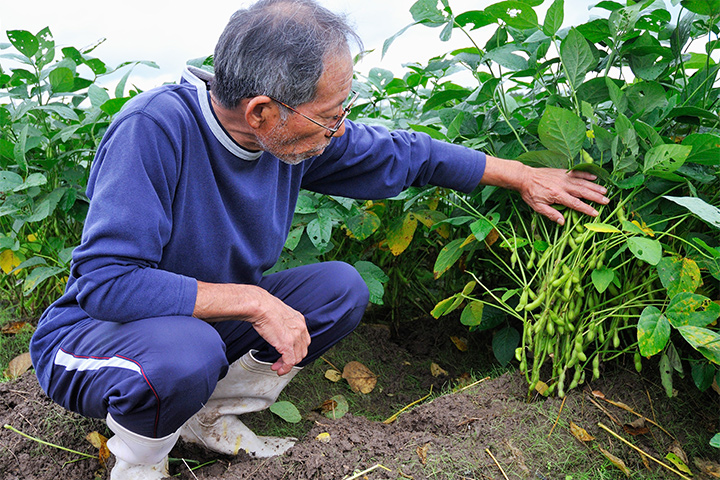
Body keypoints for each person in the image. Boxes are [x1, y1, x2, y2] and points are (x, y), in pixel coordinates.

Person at [29, 0, 609, 478]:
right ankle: (138, 465)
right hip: (90, 335)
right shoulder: (154, 128)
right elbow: (108, 283)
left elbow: (406, 152)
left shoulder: (288, 139)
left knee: (339, 288)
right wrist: (255, 301)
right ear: (261, 111)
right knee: (189, 352)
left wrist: (522, 175)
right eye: (330, 116)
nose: (338, 130)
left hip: (192, 323)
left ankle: (207, 418)